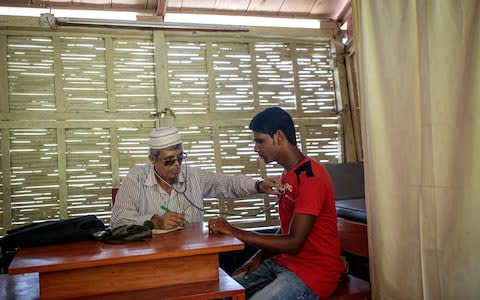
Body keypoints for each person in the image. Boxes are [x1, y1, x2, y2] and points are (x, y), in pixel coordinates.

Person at [208, 107, 345, 300]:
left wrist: (235, 232)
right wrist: (260, 256)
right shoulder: (289, 174)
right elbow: (286, 230)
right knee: (225, 293)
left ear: (279, 136)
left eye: (260, 141)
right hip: (285, 262)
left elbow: (294, 242)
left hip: (315, 272)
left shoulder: (311, 178)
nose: (256, 148)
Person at [110, 126, 283, 230]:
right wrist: (155, 221)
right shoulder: (137, 178)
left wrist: (259, 185)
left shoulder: (192, 175)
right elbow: (118, 219)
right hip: (151, 257)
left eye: (180, 157)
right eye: (169, 160)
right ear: (152, 159)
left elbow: (228, 183)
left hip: (193, 252)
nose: (177, 165)